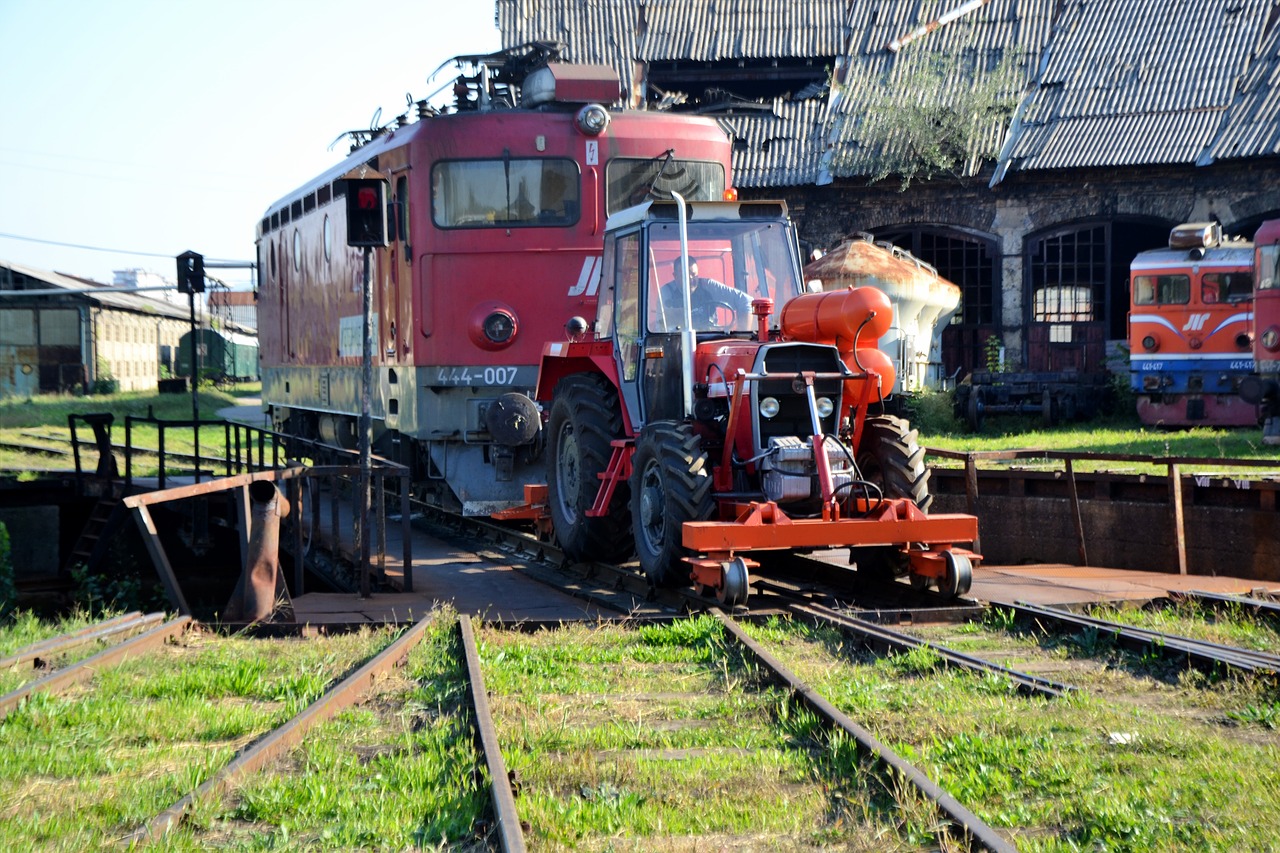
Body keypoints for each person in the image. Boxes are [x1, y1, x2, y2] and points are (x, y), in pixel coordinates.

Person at [658, 258, 752, 330]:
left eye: (694, 274)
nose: (690, 279)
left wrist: (742, 335)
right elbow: (660, 327)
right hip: (679, 342)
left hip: (710, 341)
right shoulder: (666, 292)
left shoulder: (708, 286)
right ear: (675, 276)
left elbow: (746, 301)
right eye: (685, 275)